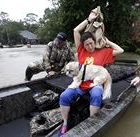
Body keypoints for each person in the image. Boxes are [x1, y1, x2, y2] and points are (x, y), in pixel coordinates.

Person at [58, 8, 124, 136]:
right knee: (64, 96)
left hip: (95, 83)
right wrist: (89, 20)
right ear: (84, 45)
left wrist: (107, 41)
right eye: (87, 44)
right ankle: (65, 123)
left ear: (94, 42)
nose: (89, 46)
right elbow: (76, 30)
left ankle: (92, 123)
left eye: (91, 43)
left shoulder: (103, 52)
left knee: (96, 94)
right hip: (80, 83)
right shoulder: (81, 51)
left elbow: (120, 50)